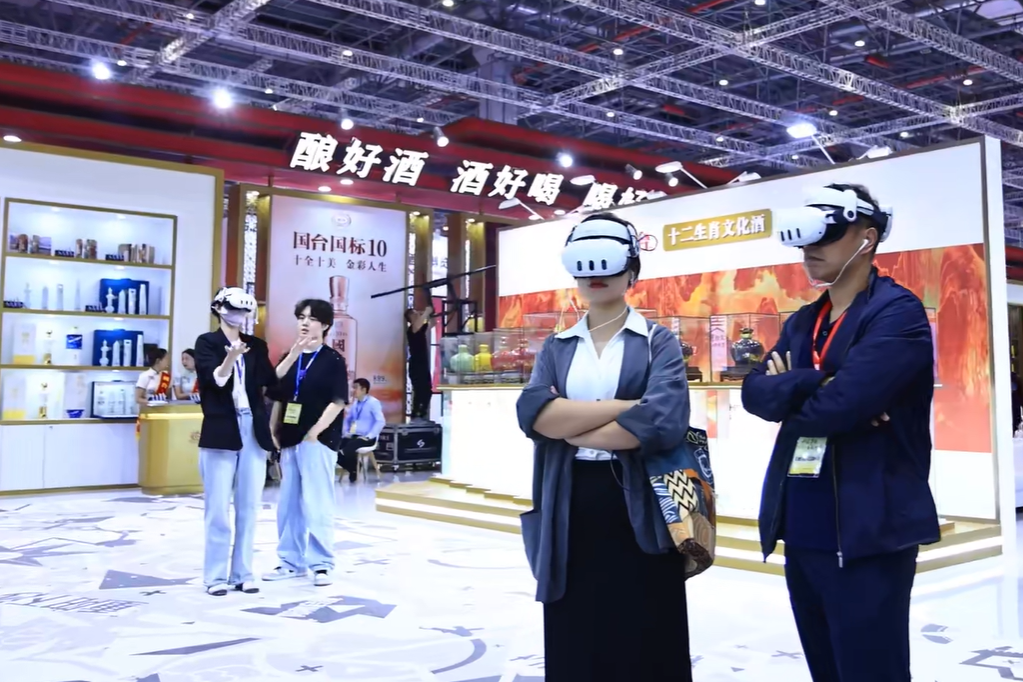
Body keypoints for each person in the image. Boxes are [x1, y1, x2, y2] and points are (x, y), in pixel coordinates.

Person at [741, 183, 939, 682]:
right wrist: (816, 382)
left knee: (872, 669)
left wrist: (796, 388)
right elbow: (754, 394)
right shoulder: (805, 320)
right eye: (807, 239)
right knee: (825, 667)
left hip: (870, 527)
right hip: (802, 524)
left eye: (826, 236)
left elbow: (840, 406)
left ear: (867, 238)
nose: (810, 250)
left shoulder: (897, 313)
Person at [514, 212, 692, 682]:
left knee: (645, 624)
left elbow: (660, 422)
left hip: (643, 500)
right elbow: (533, 415)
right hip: (569, 497)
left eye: (609, 262)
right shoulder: (558, 346)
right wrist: (624, 406)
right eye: (583, 264)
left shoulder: (657, 342)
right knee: (576, 622)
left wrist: (570, 426)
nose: (595, 275)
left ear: (631, 272)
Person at [193, 286, 278, 597]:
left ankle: (243, 573)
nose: (239, 316)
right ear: (218, 308)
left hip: (252, 428)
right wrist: (230, 356)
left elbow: (271, 383)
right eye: (234, 309)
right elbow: (215, 380)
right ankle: (215, 576)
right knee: (218, 507)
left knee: (249, 506)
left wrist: (294, 354)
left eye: (244, 311)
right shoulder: (207, 343)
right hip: (221, 428)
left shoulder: (256, 345)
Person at [263, 299, 348, 587]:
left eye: (311, 318)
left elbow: (338, 402)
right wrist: (273, 430)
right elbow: (276, 393)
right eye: (301, 317)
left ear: (325, 325)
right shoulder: (291, 356)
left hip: (318, 440)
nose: (304, 323)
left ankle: (321, 564)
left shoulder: (333, 360)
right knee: (288, 504)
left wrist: (315, 432)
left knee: (317, 502)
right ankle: (290, 562)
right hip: (289, 438)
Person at [338, 378, 385, 483]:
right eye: (352, 388)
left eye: (355, 388)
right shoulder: (355, 404)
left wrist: (369, 436)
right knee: (334, 448)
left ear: (364, 390)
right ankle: (353, 467)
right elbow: (347, 420)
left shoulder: (373, 403)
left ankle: (353, 470)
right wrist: (346, 433)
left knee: (348, 449)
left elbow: (380, 421)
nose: (353, 390)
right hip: (354, 435)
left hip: (367, 437)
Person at [406, 305, 433, 420]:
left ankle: (421, 414)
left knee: (427, 391)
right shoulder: (412, 329)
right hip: (416, 365)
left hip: (423, 364)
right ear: (410, 317)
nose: (417, 314)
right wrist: (426, 312)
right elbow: (417, 325)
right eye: (414, 313)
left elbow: (432, 324)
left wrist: (429, 314)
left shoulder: (420, 328)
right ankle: (416, 415)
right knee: (420, 391)